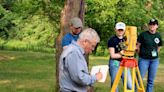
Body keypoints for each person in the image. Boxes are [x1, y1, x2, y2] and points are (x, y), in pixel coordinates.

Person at [136, 19, 163, 92]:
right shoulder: (143, 35)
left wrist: (156, 53)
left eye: (154, 24)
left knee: (151, 80)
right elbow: (138, 46)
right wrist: (140, 55)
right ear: (148, 25)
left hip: (154, 61)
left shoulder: (158, 36)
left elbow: (159, 46)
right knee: (139, 78)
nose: (152, 26)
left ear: (157, 26)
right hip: (144, 60)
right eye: (150, 24)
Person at [107, 22, 132, 92]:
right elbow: (113, 55)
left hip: (125, 63)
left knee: (129, 85)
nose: (120, 31)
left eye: (122, 30)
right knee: (115, 84)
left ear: (124, 30)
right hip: (115, 63)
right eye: (119, 29)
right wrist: (122, 54)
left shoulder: (127, 39)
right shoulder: (112, 40)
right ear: (115, 29)